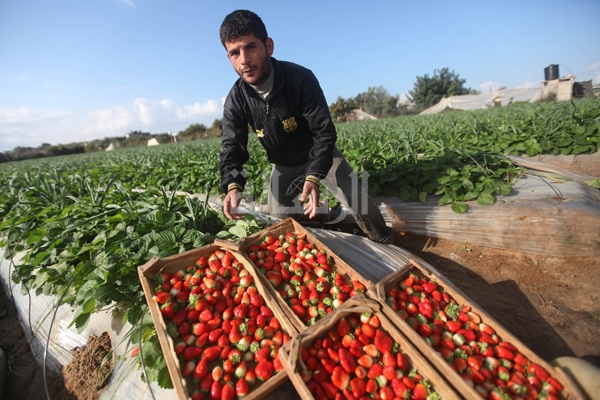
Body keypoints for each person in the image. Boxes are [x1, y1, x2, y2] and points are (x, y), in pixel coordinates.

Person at [218, 9, 393, 243]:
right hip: (283, 163)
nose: (244, 60)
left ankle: (384, 240)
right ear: (228, 57)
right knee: (279, 221)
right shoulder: (236, 100)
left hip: (319, 154)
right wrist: (233, 185)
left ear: (268, 46)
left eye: (251, 47)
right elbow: (232, 147)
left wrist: (313, 177)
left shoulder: (299, 79)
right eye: (234, 52)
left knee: (359, 202)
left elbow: (324, 132)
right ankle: (321, 216)